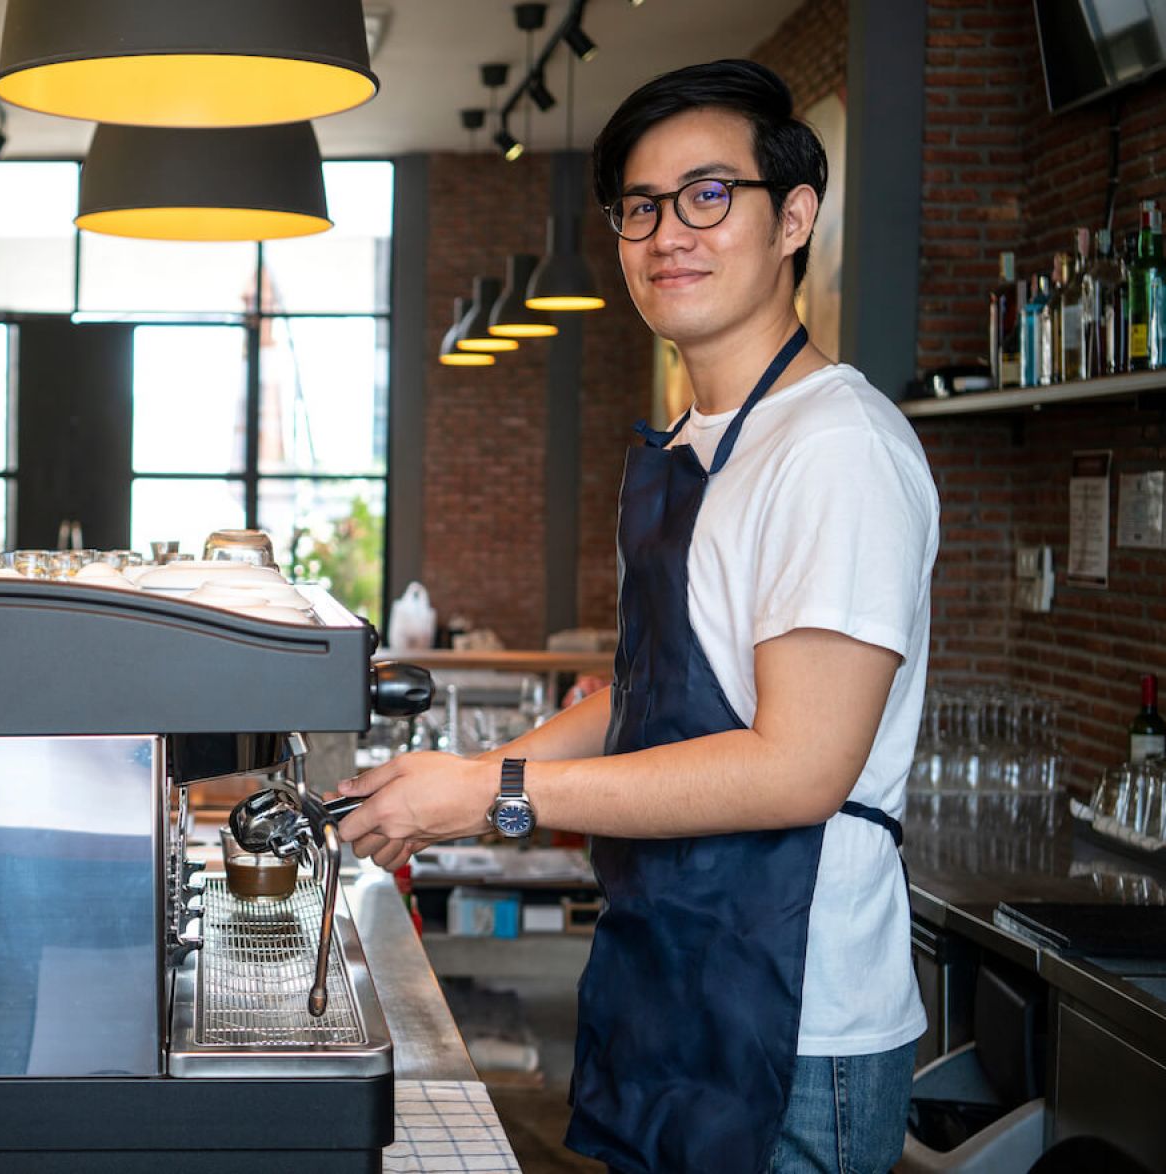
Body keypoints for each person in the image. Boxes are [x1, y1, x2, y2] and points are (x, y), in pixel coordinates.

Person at [338, 61, 938, 1174]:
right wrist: (450, 785)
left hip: (789, 1025)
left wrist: (490, 791)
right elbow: (648, 700)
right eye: (640, 207)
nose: (668, 232)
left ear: (793, 217)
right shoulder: (691, 445)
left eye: (709, 194)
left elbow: (794, 766)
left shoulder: (834, 448)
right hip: (664, 973)